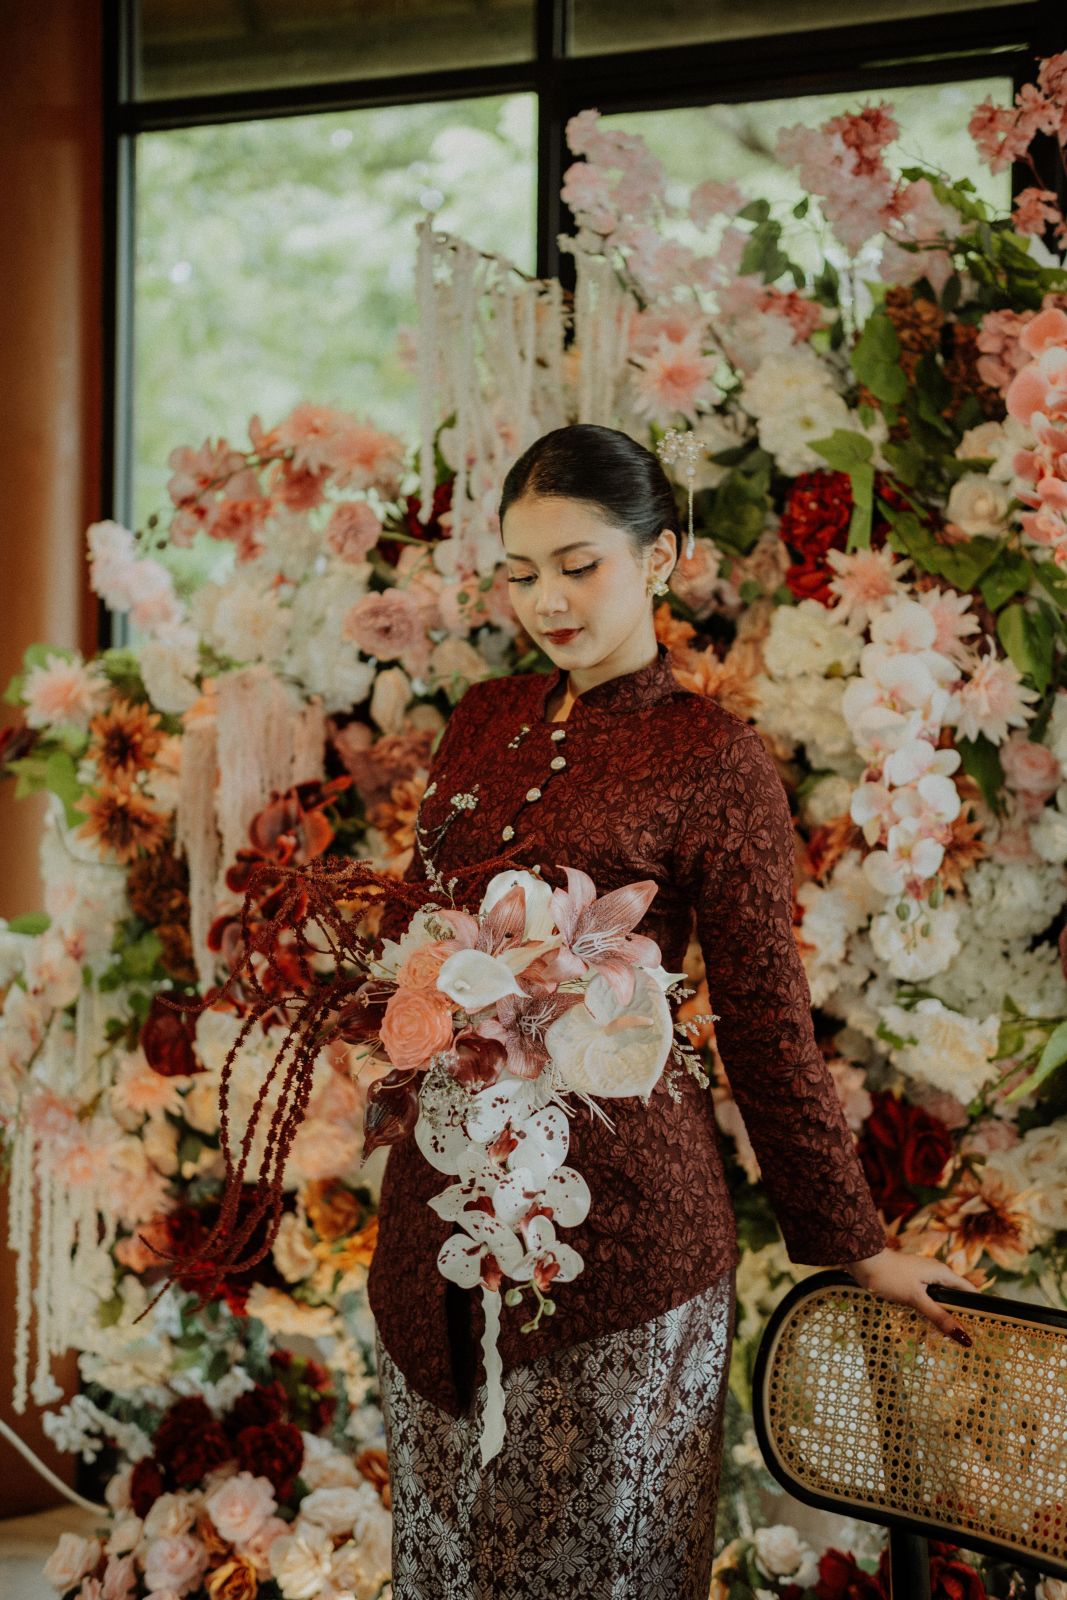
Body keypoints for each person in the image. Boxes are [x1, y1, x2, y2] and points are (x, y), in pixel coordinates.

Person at [366, 422, 978, 1600]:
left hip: (627, 1241)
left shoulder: (713, 756)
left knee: (605, 1565)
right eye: (521, 572)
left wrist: (855, 1245)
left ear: (659, 556)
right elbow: (414, 932)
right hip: (434, 1228)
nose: (546, 600)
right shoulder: (482, 718)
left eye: (576, 564)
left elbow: (764, 1019)